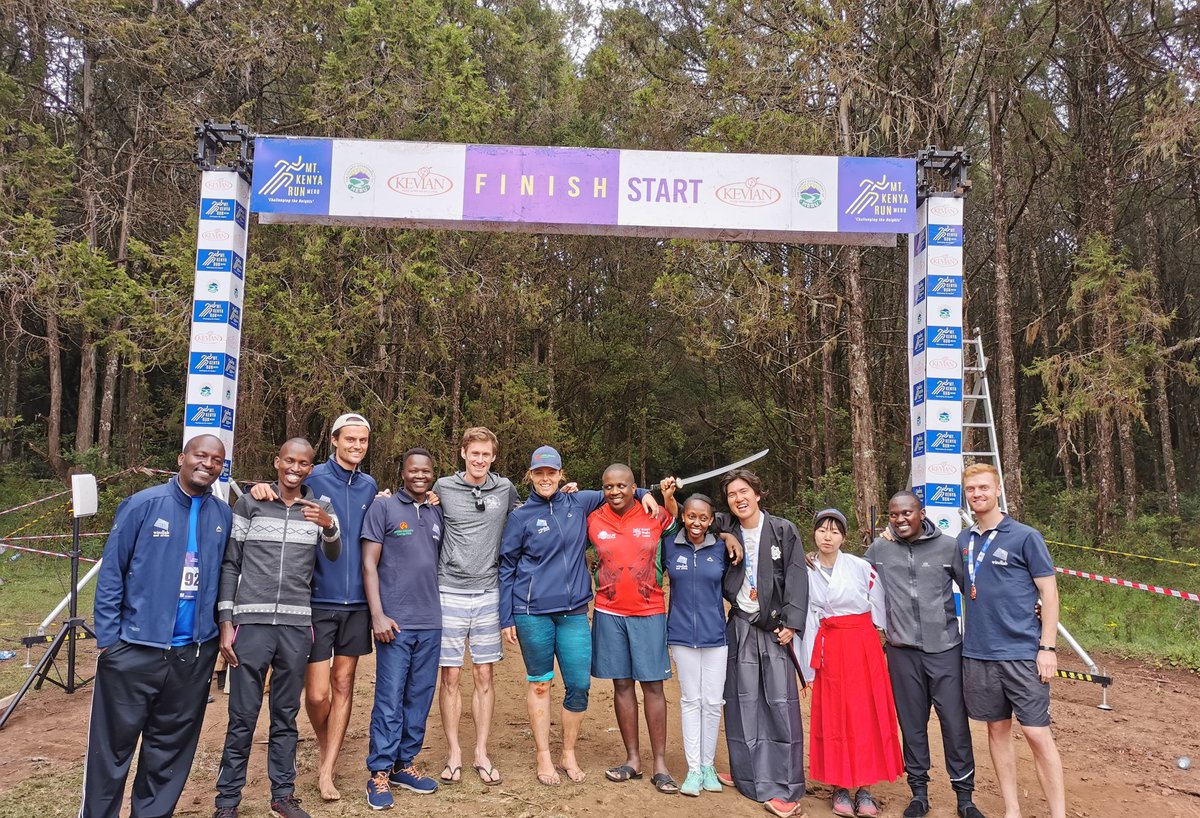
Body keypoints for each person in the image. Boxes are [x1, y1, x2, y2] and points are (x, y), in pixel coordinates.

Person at [81, 435, 232, 818]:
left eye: (217, 460)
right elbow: (112, 571)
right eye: (201, 455)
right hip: (134, 649)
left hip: (192, 656)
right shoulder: (144, 504)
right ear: (182, 457)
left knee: (168, 754)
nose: (208, 464)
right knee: (111, 750)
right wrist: (109, 640)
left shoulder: (222, 514)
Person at [498, 445, 657, 787]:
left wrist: (647, 494)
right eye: (539, 473)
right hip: (532, 613)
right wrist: (506, 616)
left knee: (579, 685)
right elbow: (507, 566)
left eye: (551, 473)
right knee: (540, 684)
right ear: (530, 475)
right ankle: (543, 755)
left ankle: (568, 752)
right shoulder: (521, 516)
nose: (545, 479)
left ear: (561, 475)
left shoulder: (579, 502)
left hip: (572, 612)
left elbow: (618, 489)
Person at [248, 412, 379, 801]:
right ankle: (328, 747)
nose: (357, 446)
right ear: (335, 441)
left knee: (344, 684)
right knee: (318, 694)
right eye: (350, 440)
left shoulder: (371, 486)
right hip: (314, 599)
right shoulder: (313, 476)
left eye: (363, 441)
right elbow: (280, 491)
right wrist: (260, 489)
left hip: (356, 603)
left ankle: (327, 770)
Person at [214, 439, 342, 818]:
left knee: (285, 717)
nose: (295, 468)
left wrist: (329, 526)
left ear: (310, 469)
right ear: (277, 461)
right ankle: (227, 802)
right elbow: (229, 564)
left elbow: (333, 554)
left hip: (296, 626)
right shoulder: (252, 502)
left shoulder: (320, 507)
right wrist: (225, 622)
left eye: (303, 463)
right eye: (290, 460)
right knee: (242, 718)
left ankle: (282, 796)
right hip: (250, 625)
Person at [866, 491, 985, 818]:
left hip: (946, 650)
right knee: (912, 725)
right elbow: (851, 578)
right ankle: (918, 793)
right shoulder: (880, 549)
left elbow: (975, 591)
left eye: (906, 513)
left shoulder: (948, 546)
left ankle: (965, 797)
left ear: (922, 513)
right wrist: (814, 560)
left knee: (955, 724)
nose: (900, 519)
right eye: (894, 515)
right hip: (902, 653)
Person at [959, 463, 1066, 818]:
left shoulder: (1025, 536)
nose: (977, 494)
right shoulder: (964, 540)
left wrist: (1047, 647)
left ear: (998, 488)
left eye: (984, 488)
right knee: (997, 730)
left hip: (1022, 653)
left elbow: (1049, 594)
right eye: (971, 489)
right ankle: (1012, 809)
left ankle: (1058, 814)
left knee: (1037, 734)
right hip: (978, 653)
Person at [798, 508, 902, 818]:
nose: (827, 536)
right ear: (814, 533)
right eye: (822, 530)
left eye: (834, 531)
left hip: (861, 645)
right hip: (829, 644)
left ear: (844, 537)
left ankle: (866, 787)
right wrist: (806, 663)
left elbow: (880, 608)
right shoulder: (805, 568)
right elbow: (806, 613)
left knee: (865, 714)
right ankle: (839, 786)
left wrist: (882, 643)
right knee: (835, 715)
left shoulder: (860, 568)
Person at [431, 427, 520, 786]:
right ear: (463, 453)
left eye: (486, 454)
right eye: (474, 453)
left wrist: (569, 494)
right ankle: (454, 752)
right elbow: (414, 509)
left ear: (493, 457)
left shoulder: (505, 489)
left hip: (488, 591)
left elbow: (527, 518)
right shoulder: (442, 487)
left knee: (484, 674)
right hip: (448, 590)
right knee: (450, 675)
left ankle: (481, 752)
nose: (480, 459)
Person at [718, 469, 808, 818]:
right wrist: (725, 534)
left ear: (758, 494)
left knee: (779, 703)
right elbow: (694, 517)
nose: (738, 499)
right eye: (731, 495)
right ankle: (747, 776)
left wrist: (793, 623)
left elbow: (798, 576)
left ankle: (785, 786)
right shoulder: (729, 529)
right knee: (742, 703)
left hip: (774, 629)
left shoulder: (783, 530)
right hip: (741, 624)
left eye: (744, 491)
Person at [589, 465, 680, 794]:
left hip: (649, 611)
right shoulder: (594, 518)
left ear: (634, 487)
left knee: (653, 686)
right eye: (609, 486)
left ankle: (660, 764)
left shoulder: (652, 515)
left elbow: (682, 525)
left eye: (622, 486)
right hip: (608, 612)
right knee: (622, 684)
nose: (615, 492)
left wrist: (664, 498)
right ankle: (633, 760)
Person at [363, 448, 445, 809]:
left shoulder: (435, 510)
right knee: (390, 698)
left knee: (420, 696)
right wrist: (377, 615)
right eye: (413, 470)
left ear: (431, 474)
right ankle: (379, 772)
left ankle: (403, 764)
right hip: (394, 623)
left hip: (431, 621)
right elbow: (368, 564)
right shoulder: (383, 507)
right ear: (402, 473)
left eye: (425, 471)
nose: (419, 475)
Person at [660, 491, 729, 798]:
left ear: (711, 520)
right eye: (691, 516)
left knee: (713, 702)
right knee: (691, 700)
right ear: (683, 516)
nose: (696, 523)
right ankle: (693, 770)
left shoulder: (723, 548)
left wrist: (730, 536)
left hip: (716, 636)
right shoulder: (670, 546)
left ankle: (708, 765)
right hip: (681, 634)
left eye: (703, 518)